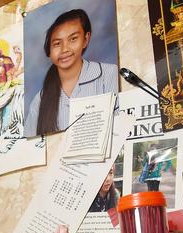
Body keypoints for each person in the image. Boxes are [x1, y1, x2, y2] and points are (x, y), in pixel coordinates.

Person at [24, 8, 119, 137]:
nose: (65, 49)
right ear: (49, 51)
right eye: (57, 44)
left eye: (73, 39)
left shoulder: (110, 75)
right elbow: (31, 146)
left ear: (85, 39)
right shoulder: (39, 100)